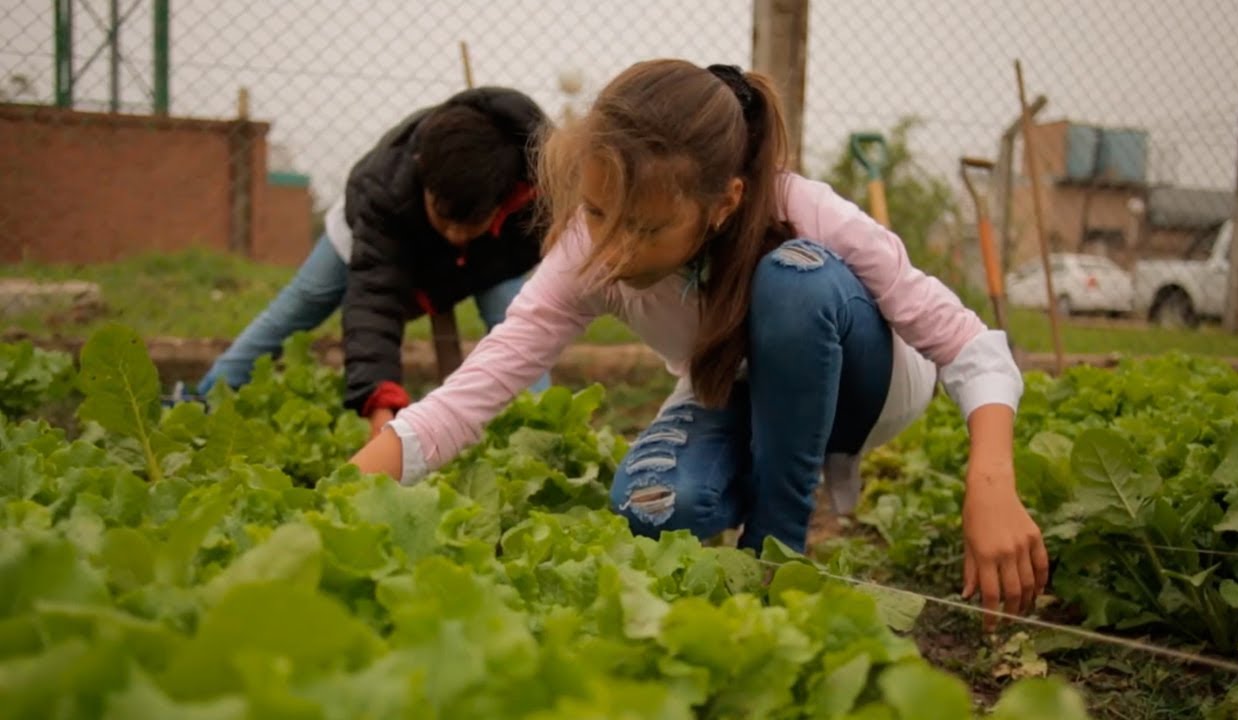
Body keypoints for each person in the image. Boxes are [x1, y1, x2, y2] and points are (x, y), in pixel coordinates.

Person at [350, 60, 1049, 625]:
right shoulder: (588, 251)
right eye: (598, 213)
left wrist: (989, 482)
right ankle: (742, 501)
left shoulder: (796, 207)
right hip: (736, 390)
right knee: (652, 505)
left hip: (864, 389)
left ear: (725, 202)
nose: (615, 250)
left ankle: (778, 557)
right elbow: (472, 395)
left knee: (794, 281)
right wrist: (340, 498)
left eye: (647, 229)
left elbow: (971, 347)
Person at [195, 87, 553, 434]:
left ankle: (543, 428)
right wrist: (380, 401)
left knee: (517, 323)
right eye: (444, 219)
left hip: (487, 257)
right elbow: (374, 302)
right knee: (303, 301)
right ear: (424, 179)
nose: (455, 234)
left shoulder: (542, 183)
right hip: (368, 237)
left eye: (469, 224)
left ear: (505, 199)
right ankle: (207, 396)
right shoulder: (384, 192)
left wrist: (441, 286)